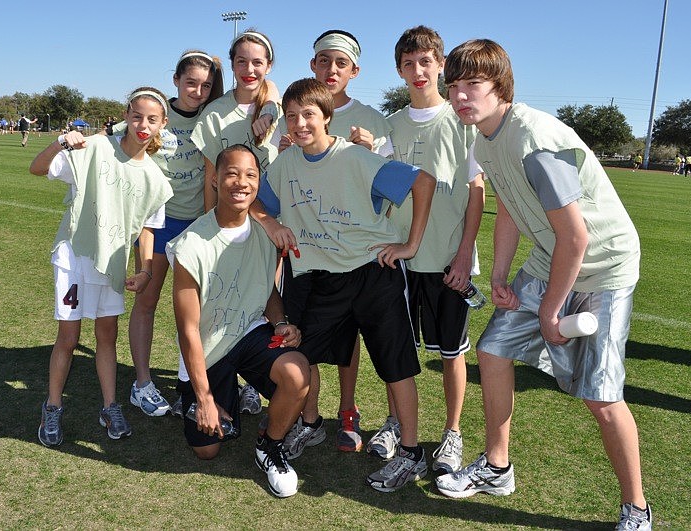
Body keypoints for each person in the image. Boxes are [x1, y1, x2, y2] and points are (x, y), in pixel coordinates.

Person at [435, 39, 652, 531]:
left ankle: (636, 508)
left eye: (473, 84)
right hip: (550, 256)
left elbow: (576, 238)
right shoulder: (483, 140)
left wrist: (551, 311)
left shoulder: (532, 140)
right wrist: (498, 274)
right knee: (493, 349)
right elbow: (511, 208)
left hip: (604, 266)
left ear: (500, 86)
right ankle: (497, 468)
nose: (461, 96)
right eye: (454, 86)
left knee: (601, 397)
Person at [258, 78, 436, 492]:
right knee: (300, 358)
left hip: (372, 273)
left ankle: (411, 453)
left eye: (308, 115)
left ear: (326, 117)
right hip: (317, 278)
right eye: (291, 116)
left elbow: (423, 181)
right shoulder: (285, 163)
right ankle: (310, 424)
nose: (300, 124)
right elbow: (255, 200)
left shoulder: (356, 157)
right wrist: (269, 221)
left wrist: (410, 245)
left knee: (396, 366)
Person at [267, 29, 396, 454]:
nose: (331, 69)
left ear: (354, 70)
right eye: (324, 60)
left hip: (356, 258)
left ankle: (349, 412)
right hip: (308, 255)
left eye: (341, 62)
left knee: (354, 340)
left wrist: (370, 149)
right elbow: (276, 182)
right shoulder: (293, 112)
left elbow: (392, 182)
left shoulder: (373, 118)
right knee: (308, 338)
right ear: (313, 65)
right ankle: (311, 417)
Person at [30, 87, 174, 447]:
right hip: (74, 256)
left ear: (163, 124)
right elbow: (37, 168)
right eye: (137, 116)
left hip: (111, 265)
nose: (143, 125)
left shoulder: (156, 180)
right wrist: (62, 141)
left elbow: (146, 229)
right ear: (126, 116)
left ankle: (110, 407)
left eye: (152, 119)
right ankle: (52, 406)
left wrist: (145, 269)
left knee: (107, 336)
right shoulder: (95, 148)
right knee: (68, 337)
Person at [368, 26, 483, 471]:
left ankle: (452, 433)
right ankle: (395, 422)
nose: (418, 71)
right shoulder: (390, 125)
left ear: (440, 65)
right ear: (399, 70)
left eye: (426, 61)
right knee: (397, 348)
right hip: (397, 256)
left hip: (447, 258)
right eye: (408, 63)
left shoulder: (463, 121)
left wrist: (464, 252)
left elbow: (476, 192)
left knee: (452, 352)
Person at [168, 144, 310, 498]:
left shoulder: (265, 233)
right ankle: (194, 399)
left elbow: (265, 289)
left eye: (250, 175)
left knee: (298, 373)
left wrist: (280, 323)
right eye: (231, 174)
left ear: (258, 182)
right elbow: (188, 331)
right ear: (215, 180)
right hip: (208, 348)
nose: (241, 182)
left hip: (248, 332)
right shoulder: (190, 245)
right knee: (207, 449)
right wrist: (204, 397)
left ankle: (270, 445)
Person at [111, 51, 225, 418]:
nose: (197, 91)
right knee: (147, 301)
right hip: (156, 224)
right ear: (175, 80)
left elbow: (264, 92)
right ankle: (142, 384)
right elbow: (113, 139)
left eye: (206, 85)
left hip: (196, 226)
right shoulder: (156, 114)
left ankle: (193, 384)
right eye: (191, 83)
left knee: (198, 311)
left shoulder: (212, 116)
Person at [191, 29, 282, 415]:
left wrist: (271, 109)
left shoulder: (278, 106)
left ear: (269, 66)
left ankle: (253, 383)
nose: (249, 69)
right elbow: (211, 176)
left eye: (257, 62)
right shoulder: (215, 113)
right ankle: (214, 379)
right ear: (231, 64)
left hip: (272, 222)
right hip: (228, 223)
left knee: (264, 302)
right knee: (223, 301)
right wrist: (209, 225)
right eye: (241, 61)